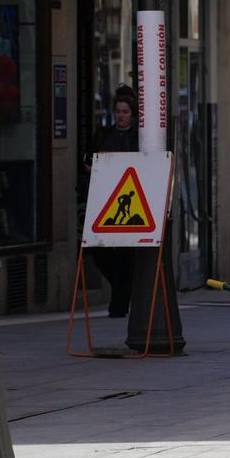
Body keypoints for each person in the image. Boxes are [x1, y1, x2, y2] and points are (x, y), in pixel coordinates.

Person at [83, 86, 138, 318]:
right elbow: (88, 161)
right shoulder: (104, 135)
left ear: (132, 114)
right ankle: (121, 289)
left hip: (131, 203)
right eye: (118, 111)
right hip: (105, 201)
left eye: (125, 112)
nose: (121, 115)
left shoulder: (139, 137)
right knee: (98, 251)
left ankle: (118, 306)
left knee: (126, 255)